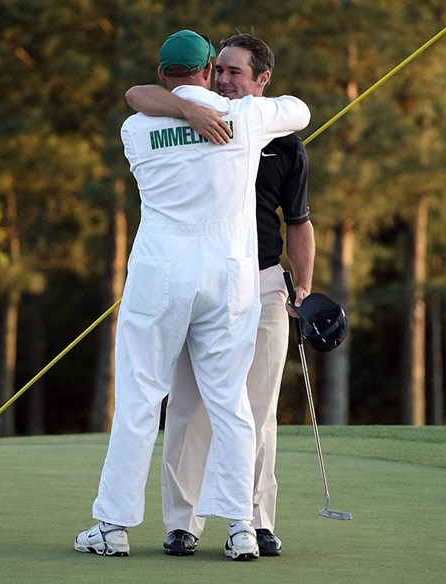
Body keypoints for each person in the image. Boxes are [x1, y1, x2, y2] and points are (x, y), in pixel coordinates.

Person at [74, 29, 310, 561]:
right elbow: (300, 110)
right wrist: (232, 107)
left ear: (164, 75)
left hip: (159, 274)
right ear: (209, 71)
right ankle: (241, 529)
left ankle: (112, 527)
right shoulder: (244, 117)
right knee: (231, 404)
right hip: (228, 278)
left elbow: (140, 99)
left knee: (139, 400)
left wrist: (180, 108)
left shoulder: (135, 128)